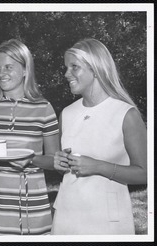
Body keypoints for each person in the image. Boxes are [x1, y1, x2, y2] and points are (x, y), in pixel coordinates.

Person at [51, 38, 147, 235]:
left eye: (74, 67)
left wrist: (98, 167)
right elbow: (66, 170)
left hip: (108, 222)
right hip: (65, 218)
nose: (66, 74)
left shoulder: (126, 114)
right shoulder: (66, 114)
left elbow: (145, 173)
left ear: (95, 69)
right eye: (66, 67)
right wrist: (60, 163)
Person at [0, 39, 59, 235]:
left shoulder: (44, 108)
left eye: (9, 67)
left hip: (32, 207)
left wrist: (30, 160)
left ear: (26, 70)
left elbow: (53, 160)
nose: (1, 73)